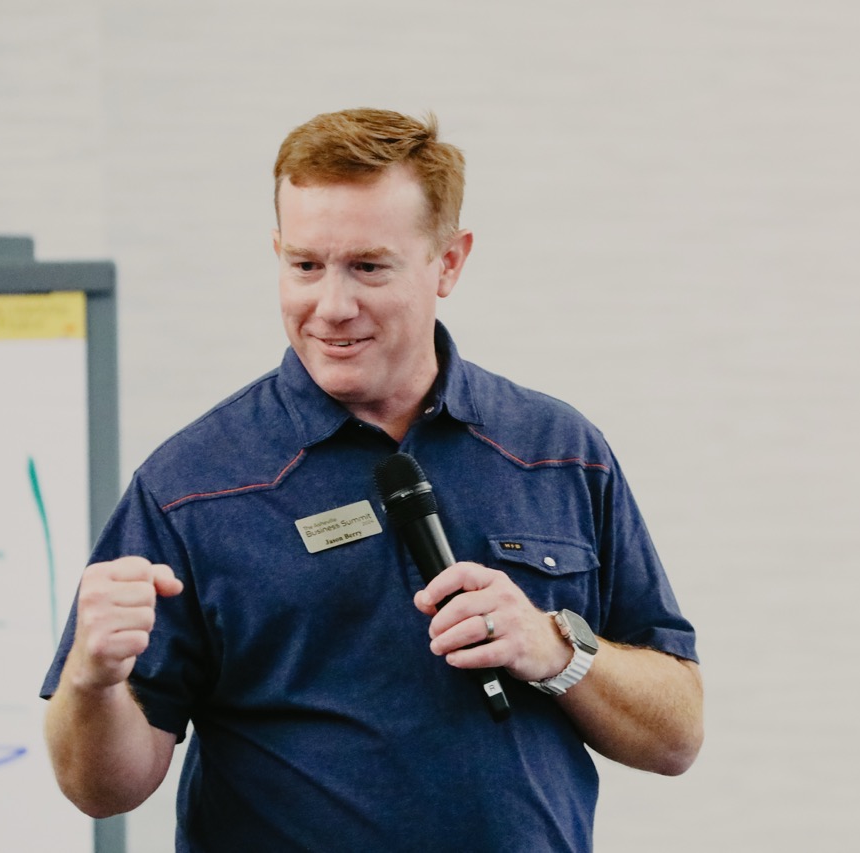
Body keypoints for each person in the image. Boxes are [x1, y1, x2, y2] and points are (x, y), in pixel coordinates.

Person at [41, 108, 703, 851]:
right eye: (305, 266)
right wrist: (92, 681)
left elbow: (676, 734)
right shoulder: (190, 486)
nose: (332, 307)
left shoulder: (557, 451)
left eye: (368, 266)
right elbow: (100, 789)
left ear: (448, 262)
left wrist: (555, 648)